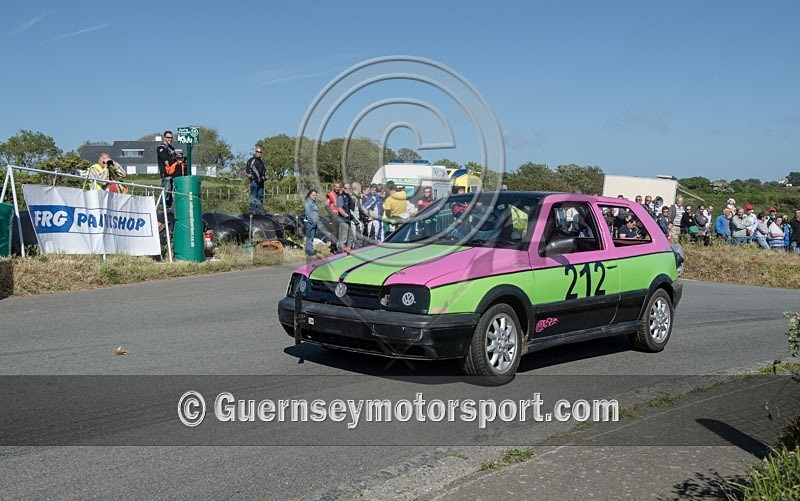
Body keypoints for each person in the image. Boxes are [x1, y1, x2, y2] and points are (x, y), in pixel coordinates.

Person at [157, 131, 177, 208]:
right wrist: (171, 162)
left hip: (173, 173)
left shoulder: (171, 148)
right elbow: (166, 160)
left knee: (171, 190)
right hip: (166, 173)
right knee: (166, 188)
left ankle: (168, 205)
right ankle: (163, 205)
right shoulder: (161, 148)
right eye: (168, 137)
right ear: (164, 138)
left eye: (171, 137)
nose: (170, 139)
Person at [245, 147, 267, 214]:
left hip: (261, 182)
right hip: (254, 182)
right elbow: (247, 171)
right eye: (257, 151)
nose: (259, 153)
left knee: (260, 196)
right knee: (253, 195)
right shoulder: (251, 160)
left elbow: (265, 171)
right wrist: (252, 178)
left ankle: (259, 210)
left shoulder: (262, 161)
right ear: (255, 152)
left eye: (260, 152)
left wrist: (265, 178)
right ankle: (252, 210)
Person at [336, 183, 353, 252]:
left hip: (348, 220)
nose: (347, 190)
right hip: (343, 220)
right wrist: (347, 215)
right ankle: (340, 251)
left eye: (349, 188)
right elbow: (340, 209)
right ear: (343, 188)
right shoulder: (341, 197)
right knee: (343, 238)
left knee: (350, 236)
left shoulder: (349, 197)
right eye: (346, 188)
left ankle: (348, 250)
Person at [303, 189, 319, 258]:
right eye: (313, 195)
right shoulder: (308, 202)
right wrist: (312, 221)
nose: (314, 196)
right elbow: (308, 213)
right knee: (309, 238)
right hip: (310, 223)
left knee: (312, 238)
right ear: (309, 195)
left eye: (315, 195)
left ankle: (310, 250)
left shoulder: (314, 202)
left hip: (314, 223)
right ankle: (310, 253)